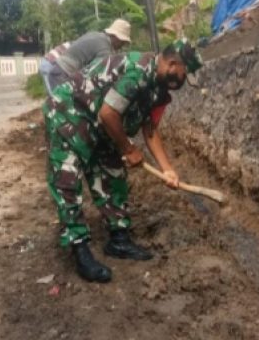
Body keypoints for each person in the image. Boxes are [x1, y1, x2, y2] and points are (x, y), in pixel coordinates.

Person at [43, 39, 203, 283]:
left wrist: (168, 169)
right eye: (185, 73)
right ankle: (80, 248)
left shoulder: (159, 89)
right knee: (67, 179)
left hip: (103, 122)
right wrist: (128, 148)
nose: (184, 81)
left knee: (112, 174)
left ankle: (119, 240)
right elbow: (109, 114)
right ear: (174, 64)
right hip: (70, 112)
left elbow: (150, 130)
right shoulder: (137, 71)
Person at [39, 18, 132, 93]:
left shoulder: (95, 35)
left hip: (59, 70)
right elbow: (100, 74)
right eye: (122, 42)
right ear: (116, 37)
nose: (122, 46)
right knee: (60, 108)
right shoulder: (104, 48)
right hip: (62, 74)